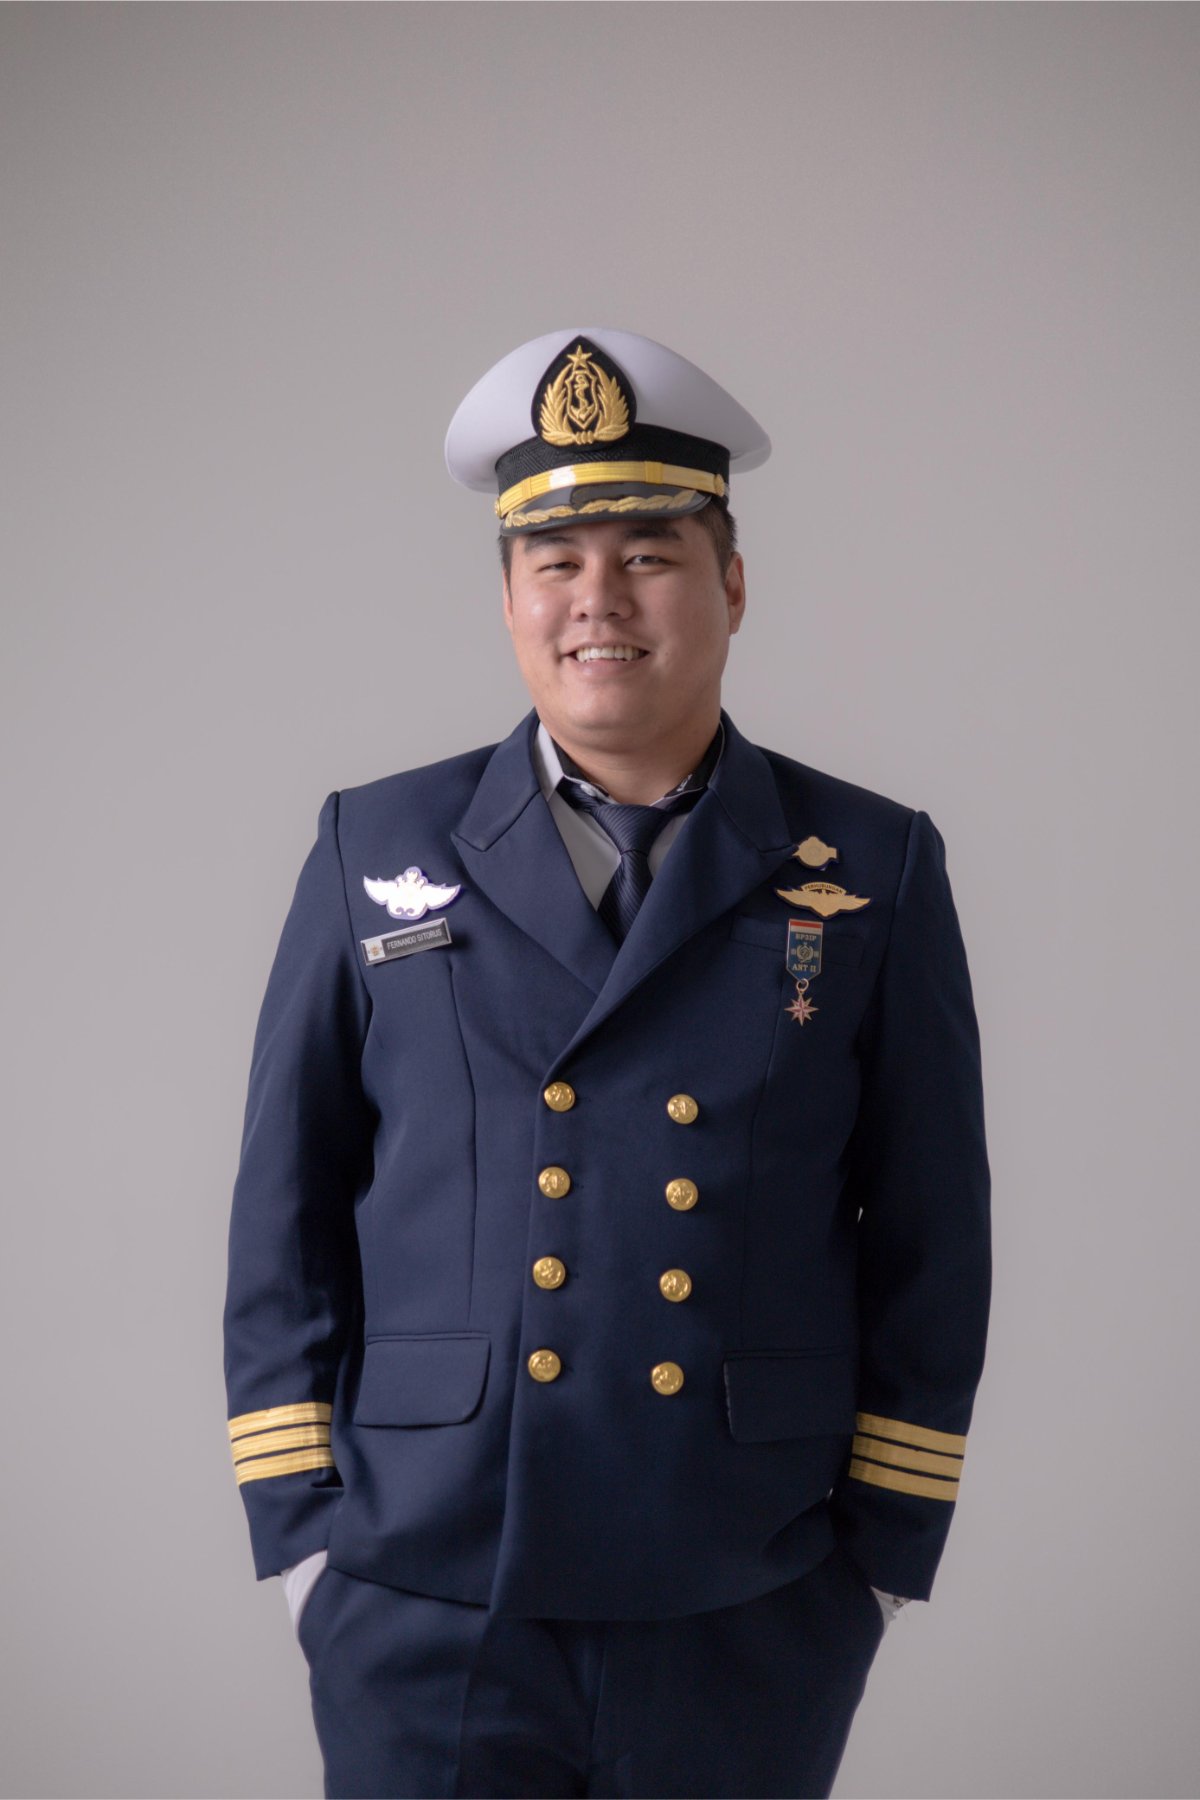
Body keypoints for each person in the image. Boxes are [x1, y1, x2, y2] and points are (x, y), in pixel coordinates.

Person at [223, 326, 991, 1799]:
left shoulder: (870, 864)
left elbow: (931, 1231)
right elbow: (286, 1209)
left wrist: (879, 1563)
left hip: (747, 1582)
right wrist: (304, 1540)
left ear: (733, 585)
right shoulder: (377, 846)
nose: (599, 599)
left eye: (648, 554)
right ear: (508, 596)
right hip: (425, 1578)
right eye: (556, 560)